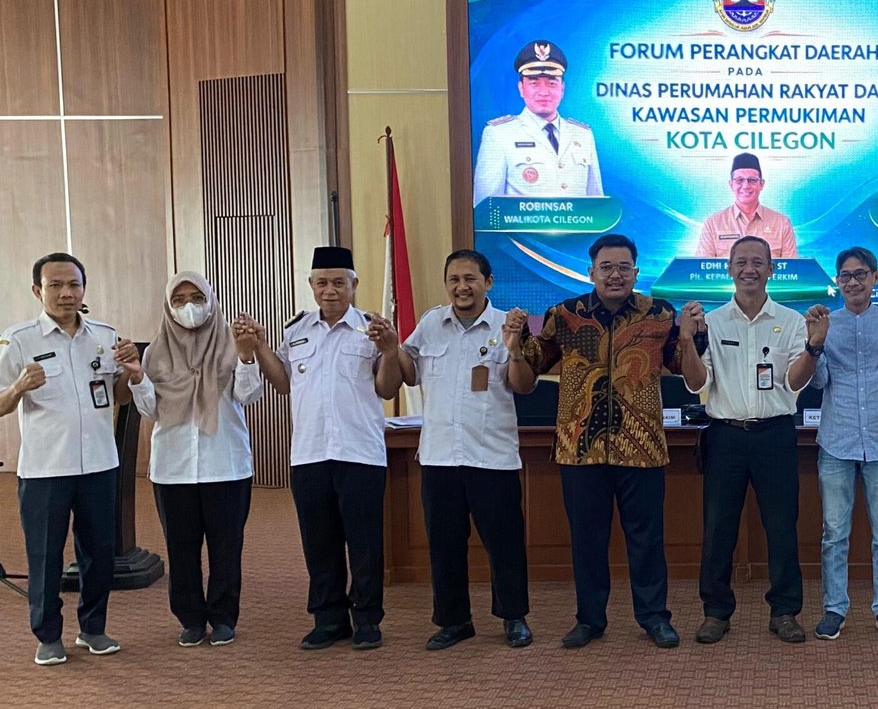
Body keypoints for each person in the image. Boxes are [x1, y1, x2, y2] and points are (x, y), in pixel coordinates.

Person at [521, 234, 683, 649]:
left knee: (646, 539)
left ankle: (654, 617)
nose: (615, 275)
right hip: (580, 448)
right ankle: (590, 619)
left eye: (623, 268)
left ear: (636, 273)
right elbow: (534, 365)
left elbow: (683, 366)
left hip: (642, 447)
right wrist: (517, 337)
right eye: (606, 268)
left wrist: (694, 336)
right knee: (587, 540)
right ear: (591, 272)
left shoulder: (660, 314)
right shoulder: (564, 315)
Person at [679, 235, 827, 645]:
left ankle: (785, 611)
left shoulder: (792, 322)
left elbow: (795, 383)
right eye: (741, 262)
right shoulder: (711, 322)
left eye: (758, 262)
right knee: (718, 528)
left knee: (781, 527)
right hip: (725, 436)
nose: (749, 269)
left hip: (774, 435)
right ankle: (716, 612)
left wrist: (813, 347)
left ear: (771, 269)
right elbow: (696, 383)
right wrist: (686, 340)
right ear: (728, 268)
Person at [258, 246, 402, 651]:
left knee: (365, 543)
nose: (330, 290)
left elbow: (387, 388)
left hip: (360, 453)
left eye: (339, 282)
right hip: (310, 454)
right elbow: (282, 382)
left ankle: (367, 619)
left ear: (354, 284)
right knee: (319, 541)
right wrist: (260, 348)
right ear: (311, 285)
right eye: (322, 282)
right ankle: (328, 619)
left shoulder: (372, 330)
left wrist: (390, 351)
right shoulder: (296, 330)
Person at [0, 253, 139, 666]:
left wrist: (129, 373)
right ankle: (47, 635)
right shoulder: (18, 340)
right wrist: (19, 387)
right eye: (56, 285)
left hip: (99, 464)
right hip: (46, 469)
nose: (66, 293)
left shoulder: (105, 335)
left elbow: (119, 397)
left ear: (84, 289)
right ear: (37, 291)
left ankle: (93, 628)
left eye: (74, 284)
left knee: (100, 552)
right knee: (45, 554)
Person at [393, 249, 534, 651]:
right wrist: (390, 346)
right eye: (454, 279)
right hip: (439, 456)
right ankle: (454, 621)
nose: (462, 287)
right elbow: (408, 374)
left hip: (492, 456)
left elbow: (524, 385)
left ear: (488, 282)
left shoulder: (508, 325)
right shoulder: (430, 324)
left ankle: (513, 617)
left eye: (470, 278)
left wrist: (515, 347)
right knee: (444, 545)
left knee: (504, 544)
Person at [128, 273, 264, 648]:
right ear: (169, 307)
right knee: (181, 549)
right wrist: (138, 378)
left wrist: (246, 356)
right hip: (173, 468)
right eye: (179, 300)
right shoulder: (156, 352)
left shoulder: (230, 343)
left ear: (211, 300)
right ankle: (190, 619)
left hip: (226, 464)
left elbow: (248, 395)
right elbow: (150, 409)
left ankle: (222, 617)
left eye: (197, 297)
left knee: (226, 548)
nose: (189, 306)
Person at [808, 247, 878, 641]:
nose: (853, 282)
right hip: (837, 439)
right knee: (834, 533)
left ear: (875, 277)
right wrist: (816, 342)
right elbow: (818, 382)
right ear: (838, 282)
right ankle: (835, 608)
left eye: (860, 274)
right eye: (846, 276)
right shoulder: (826, 323)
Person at [472, 39, 603, 204]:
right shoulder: (499, 134)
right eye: (534, 83)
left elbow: (596, 205)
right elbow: (487, 208)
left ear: (562, 89)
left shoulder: (582, 134)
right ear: (521, 88)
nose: (544, 92)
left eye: (552, 83)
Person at [696, 153, 797, 259]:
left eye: (752, 180)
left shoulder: (782, 223)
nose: (746, 186)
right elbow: (702, 266)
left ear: (761, 184)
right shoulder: (713, 224)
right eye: (739, 180)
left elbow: (792, 267)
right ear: (731, 184)